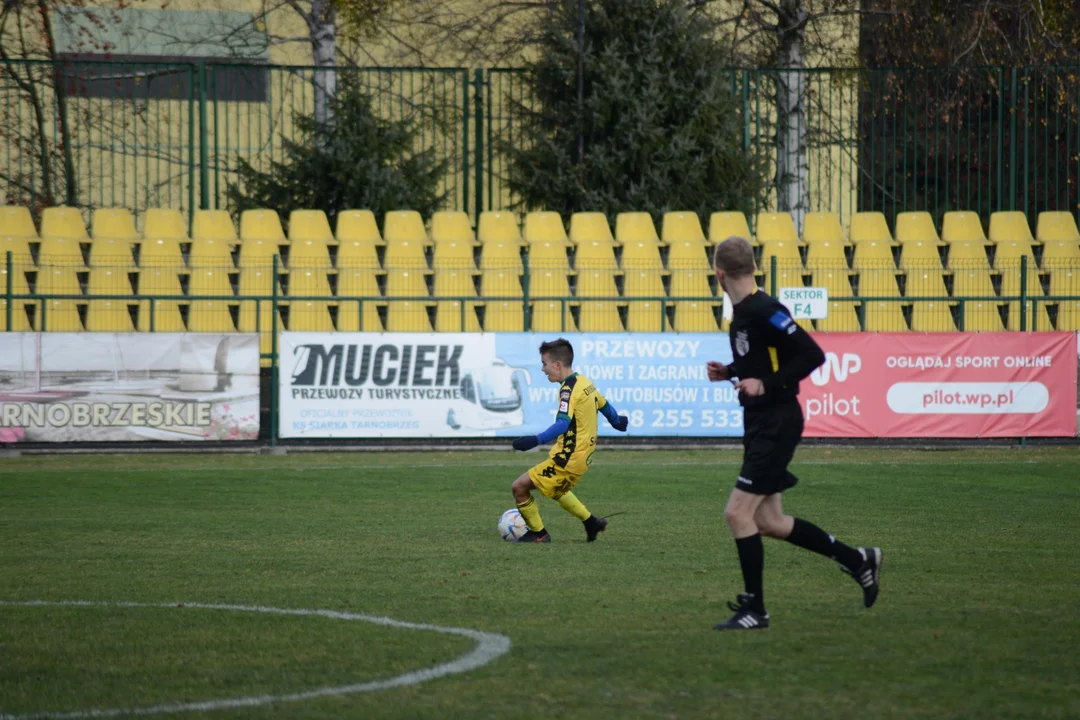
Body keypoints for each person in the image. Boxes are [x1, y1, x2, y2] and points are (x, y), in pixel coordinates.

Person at [706, 236, 881, 630]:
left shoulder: (766, 309)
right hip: (761, 422)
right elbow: (764, 360)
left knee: (737, 513)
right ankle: (859, 560)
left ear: (719, 275)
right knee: (769, 522)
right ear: (751, 266)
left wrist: (765, 386)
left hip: (777, 422)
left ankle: (756, 609)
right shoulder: (745, 313)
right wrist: (731, 373)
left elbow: (812, 354)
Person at [510, 338, 628, 542]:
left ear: (557, 364)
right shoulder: (584, 382)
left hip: (569, 458)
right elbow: (605, 406)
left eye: (544, 364)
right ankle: (592, 523)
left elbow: (562, 424)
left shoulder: (568, 389)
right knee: (556, 490)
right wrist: (618, 422)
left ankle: (539, 535)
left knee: (519, 487)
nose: (543, 369)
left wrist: (535, 440)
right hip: (583, 457)